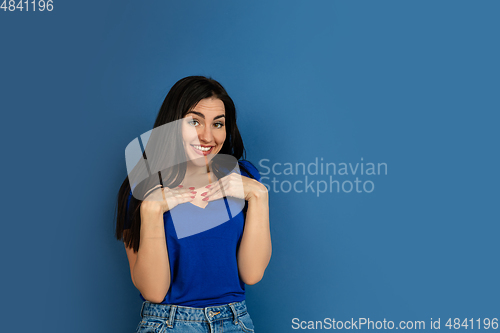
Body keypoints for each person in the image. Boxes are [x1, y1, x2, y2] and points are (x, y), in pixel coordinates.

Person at [115, 75, 272, 332]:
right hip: (167, 323)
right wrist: (152, 211)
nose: (207, 136)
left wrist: (259, 196)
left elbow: (252, 274)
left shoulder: (244, 178)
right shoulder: (141, 188)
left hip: (235, 322)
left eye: (218, 124)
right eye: (194, 121)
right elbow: (154, 291)